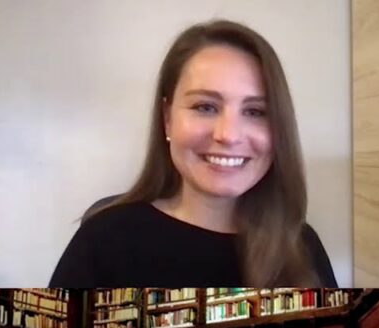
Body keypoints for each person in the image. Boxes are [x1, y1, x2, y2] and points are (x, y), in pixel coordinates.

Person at [49, 20, 337, 287]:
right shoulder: (104, 239)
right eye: (205, 107)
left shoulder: (303, 245)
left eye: (255, 111)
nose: (228, 134)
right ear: (167, 119)